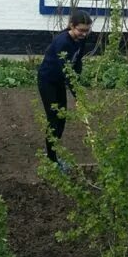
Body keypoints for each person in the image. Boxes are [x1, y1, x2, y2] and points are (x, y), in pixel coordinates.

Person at [37, 11, 92, 172]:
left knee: (62, 118)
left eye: (86, 30)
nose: (83, 34)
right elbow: (66, 71)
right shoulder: (62, 42)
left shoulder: (81, 40)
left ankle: (54, 155)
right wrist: (78, 96)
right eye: (80, 30)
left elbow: (77, 63)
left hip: (59, 81)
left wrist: (77, 84)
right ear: (71, 26)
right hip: (48, 81)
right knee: (54, 119)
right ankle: (52, 161)